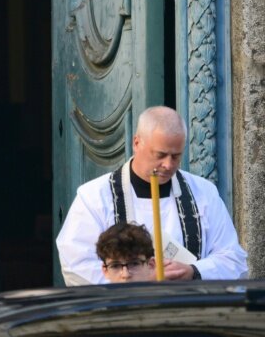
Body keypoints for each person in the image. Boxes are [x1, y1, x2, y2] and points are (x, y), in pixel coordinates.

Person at [56, 106, 248, 285]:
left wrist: (193, 271)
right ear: (137, 143)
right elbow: (76, 265)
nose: (168, 165)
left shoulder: (204, 192)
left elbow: (233, 260)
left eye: (176, 156)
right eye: (160, 155)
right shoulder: (94, 196)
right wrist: (139, 281)